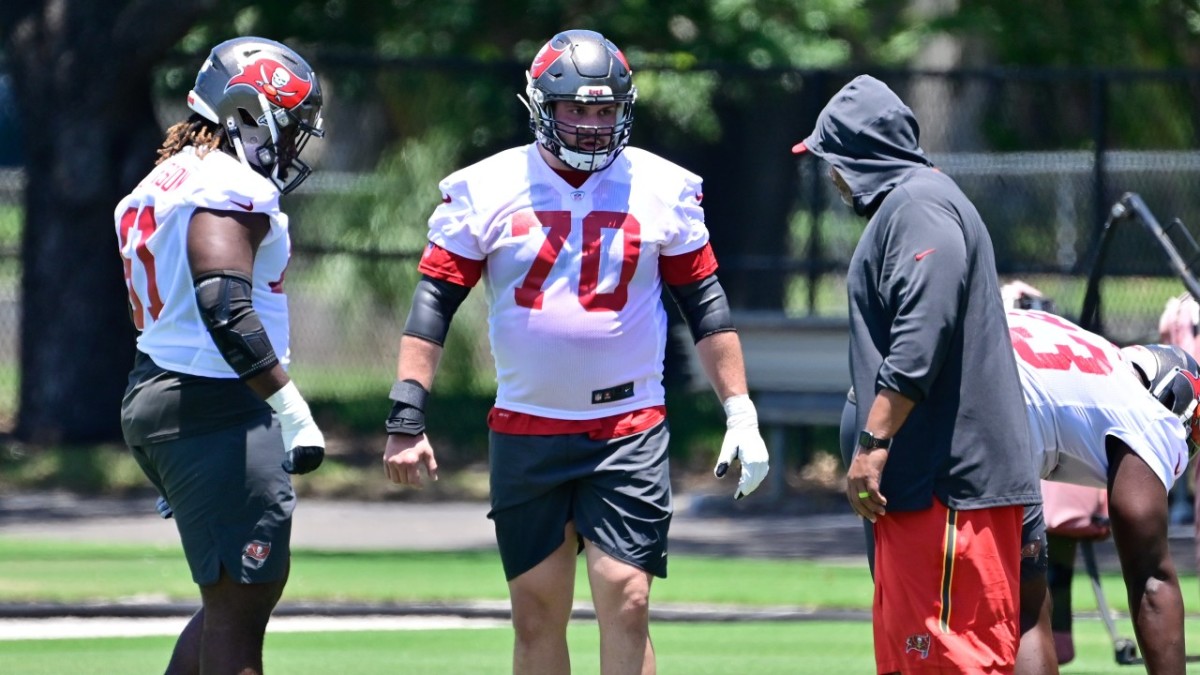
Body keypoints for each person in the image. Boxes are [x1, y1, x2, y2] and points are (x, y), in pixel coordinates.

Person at [382, 28, 770, 675]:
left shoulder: (662, 185)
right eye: (575, 109)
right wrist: (405, 414)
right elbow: (434, 303)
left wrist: (741, 412)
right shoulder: (486, 186)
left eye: (603, 109)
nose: (591, 125)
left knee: (628, 595)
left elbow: (705, 305)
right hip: (528, 423)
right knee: (536, 613)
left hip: (628, 424)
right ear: (540, 105)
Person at [793, 74, 1042, 674]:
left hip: (948, 488)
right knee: (916, 661)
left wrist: (872, 443)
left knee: (951, 661)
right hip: (926, 493)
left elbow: (921, 333)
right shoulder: (912, 205)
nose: (831, 175)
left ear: (859, 155)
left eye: (833, 159)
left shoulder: (919, 205)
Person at [115, 36, 327, 674]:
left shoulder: (164, 178)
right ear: (242, 112)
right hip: (213, 405)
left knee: (229, 599)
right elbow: (224, 302)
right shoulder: (228, 183)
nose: (291, 145)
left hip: (160, 392)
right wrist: (291, 409)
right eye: (286, 127)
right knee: (243, 602)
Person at [1006, 308, 1196, 674]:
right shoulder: (1148, 413)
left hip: (907, 384)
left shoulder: (1090, 348)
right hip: (994, 419)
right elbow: (1151, 578)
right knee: (1024, 607)